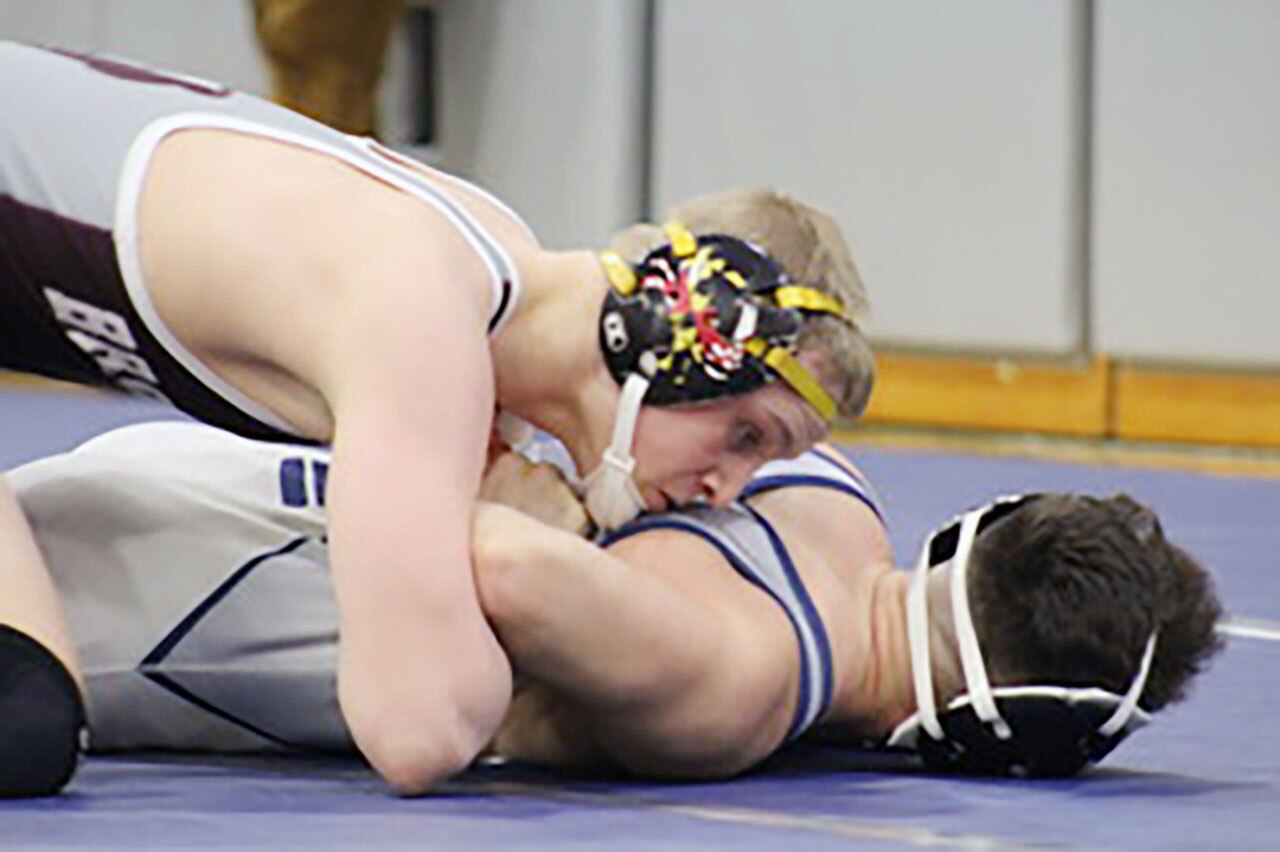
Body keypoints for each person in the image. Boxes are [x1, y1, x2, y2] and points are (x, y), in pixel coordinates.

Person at [0, 40, 874, 796]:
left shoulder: (492, 273)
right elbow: (417, 731)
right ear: (676, 341)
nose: (724, 487)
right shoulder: (426, 312)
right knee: (24, 722)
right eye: (748, 436)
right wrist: (511, 556)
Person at [8, 421, 1223, 780]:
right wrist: (549, 526)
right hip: (153, 616)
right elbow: (505, 563)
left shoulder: (820, 476)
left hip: (190, 476)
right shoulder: (741, 680)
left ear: (979, 535)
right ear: (1017, 727)